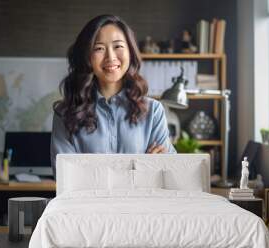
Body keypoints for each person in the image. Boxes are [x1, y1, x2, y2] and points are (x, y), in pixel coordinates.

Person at [51, 14, 176, 177]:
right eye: (99, 48)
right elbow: (66, 178)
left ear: (130, 51)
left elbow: (167, 172)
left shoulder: (153, 111)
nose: (111, 57)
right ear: (86, 56)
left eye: (118, 46)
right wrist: (141, 169)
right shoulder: (65, 113)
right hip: (87, 204)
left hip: (142, 203)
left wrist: (92, 174)